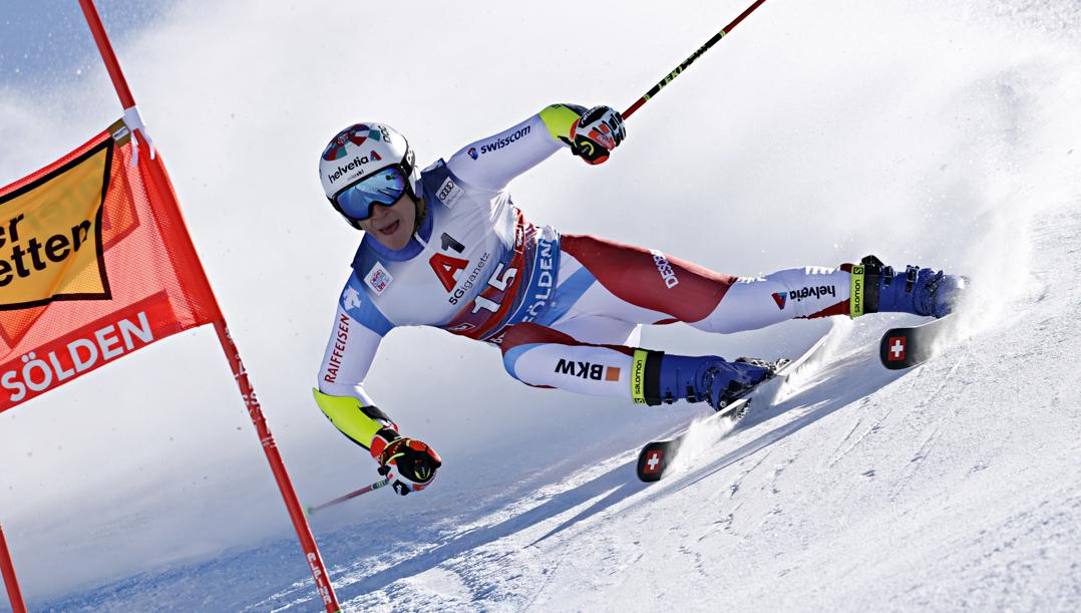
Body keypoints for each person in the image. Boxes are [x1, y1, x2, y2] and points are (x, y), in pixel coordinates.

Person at [312, 105, 965, 495]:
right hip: (549, 340)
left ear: (408, 172)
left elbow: (547, 124)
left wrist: (588, 129)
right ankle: (717, 384)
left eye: (381, 186)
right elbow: (333, 390)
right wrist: (386, 445)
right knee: (521, 360)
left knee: (732, 308)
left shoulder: (462, 177)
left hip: (582, 274)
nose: (374, 213)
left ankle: (891, 285)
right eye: (351, 204)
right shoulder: (370, 289)